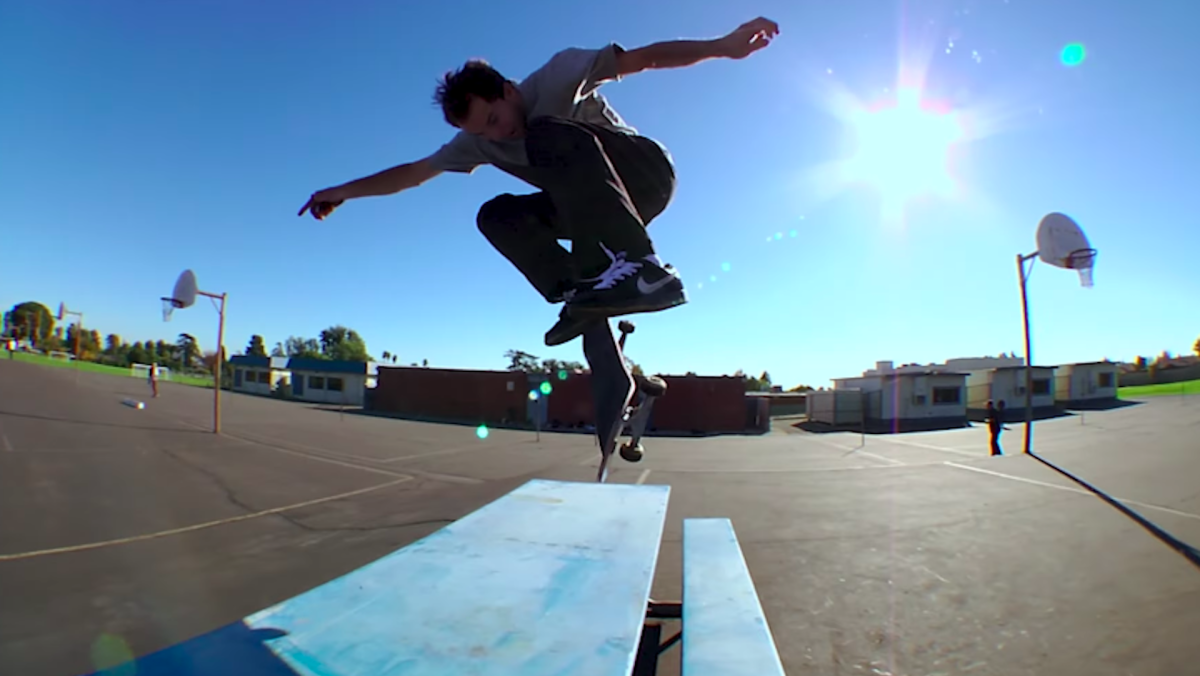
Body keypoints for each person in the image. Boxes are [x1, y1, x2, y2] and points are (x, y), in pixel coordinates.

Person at [298, 17, 780, 348]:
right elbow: (412, 175)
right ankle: (580, 292)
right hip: (585, 206)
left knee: (545, 134)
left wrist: (723, 46)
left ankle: (643, 268)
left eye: (494, 116)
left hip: (644, 174)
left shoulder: (558, 74)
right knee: (496, 215)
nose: (496, 133)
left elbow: (647, 58)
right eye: (480, 130)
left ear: (508, 90)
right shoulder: (480, 143)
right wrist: (338, 192)